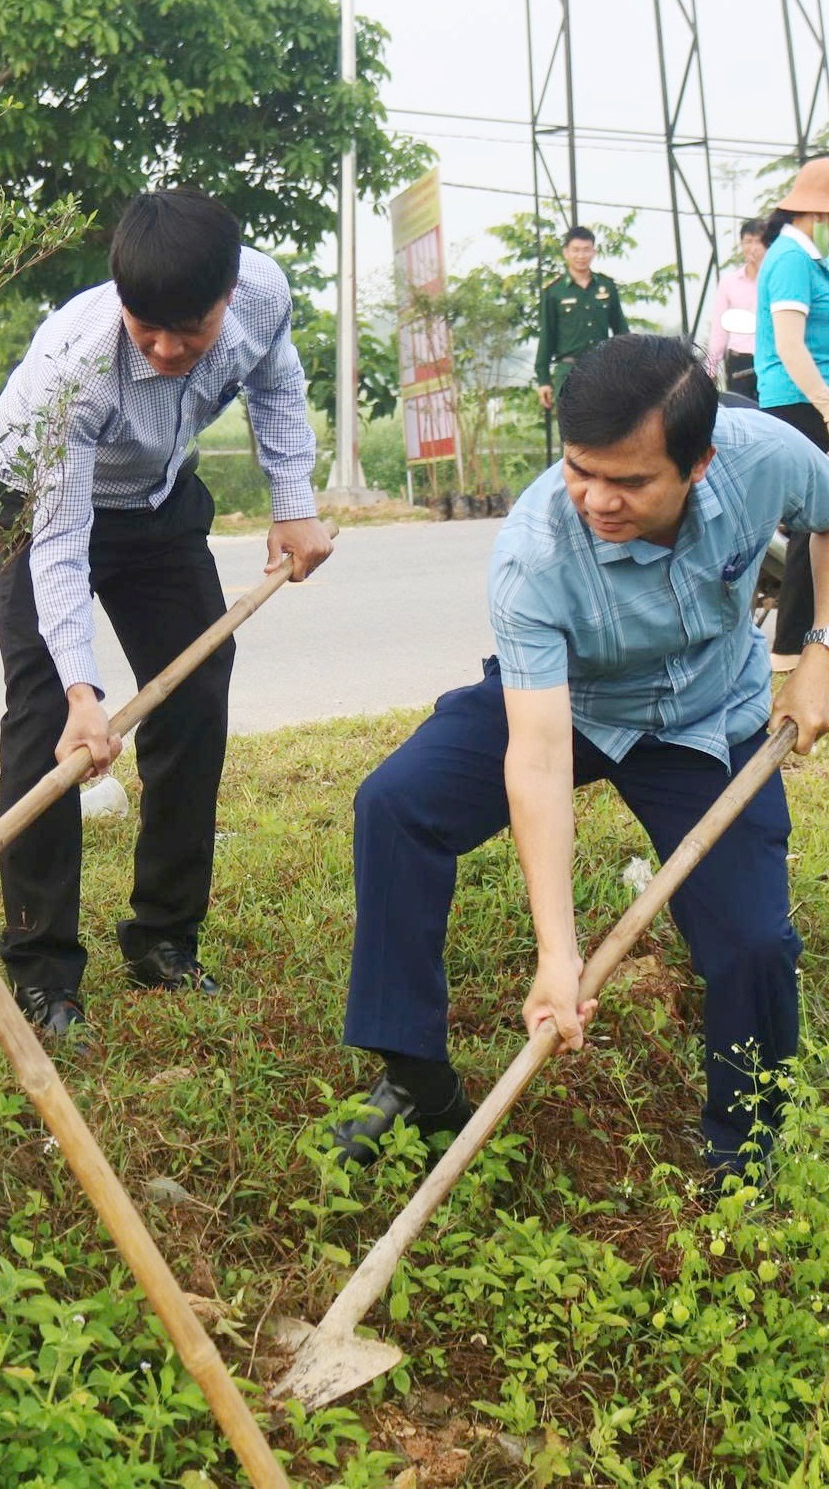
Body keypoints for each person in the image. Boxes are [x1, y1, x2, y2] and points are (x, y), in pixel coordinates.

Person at [329, 335, 829, 1188]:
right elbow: (538, 755)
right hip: (574, 705)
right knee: (397, 803)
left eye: (630, 482)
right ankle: (416, 1076)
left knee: (752, 942)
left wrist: (818, 648)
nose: (598, 498)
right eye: (578, 469)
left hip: (710, 719)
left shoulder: (768, 457)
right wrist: (557, 954)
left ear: (699, 463)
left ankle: (746, 1148)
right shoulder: (535, 551)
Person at [0, 188, 333, 1042]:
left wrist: (294, 501)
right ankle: (44, 968)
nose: (169, 350)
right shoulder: (77, 364)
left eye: (191, 332)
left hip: (157, 497)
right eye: (148, 330)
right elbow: (59, 544)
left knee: (197, 683)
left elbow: (277, 383)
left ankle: (165, 936)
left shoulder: (265, 293)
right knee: (42, 718)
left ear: (228, 294)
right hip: (38, 501)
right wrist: (82, 693)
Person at [753, 159, 829, 669]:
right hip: (799, 399)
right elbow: (789, 344)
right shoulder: (790, 261)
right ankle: (790, 646)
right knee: (815, 521)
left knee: (820, 522)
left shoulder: (807, 259)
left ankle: (802, 639)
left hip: (812, 397)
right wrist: (825, 404)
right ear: (816, 215)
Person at [534, 227, 629, 412]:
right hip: (569, 372)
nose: (581, 255)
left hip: (602, 370)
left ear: (594, 252)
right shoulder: (554, 291)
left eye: (586, 250)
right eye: (576, 250)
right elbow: (547, 335)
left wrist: (628, 367)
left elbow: (621, 330)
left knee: (606, 430)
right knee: (572, 435)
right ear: (566, 253)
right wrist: (543, 379)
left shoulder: (606, 286)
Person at [706, 218, 766, 400]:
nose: (753, 247)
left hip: (768, 357)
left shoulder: (774, 280)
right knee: (741, 408)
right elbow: (719, 328)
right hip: (739, 359)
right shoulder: (729, 282)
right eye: (748, 242)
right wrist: (710, 367)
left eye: (759, 241)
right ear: (741, 245)